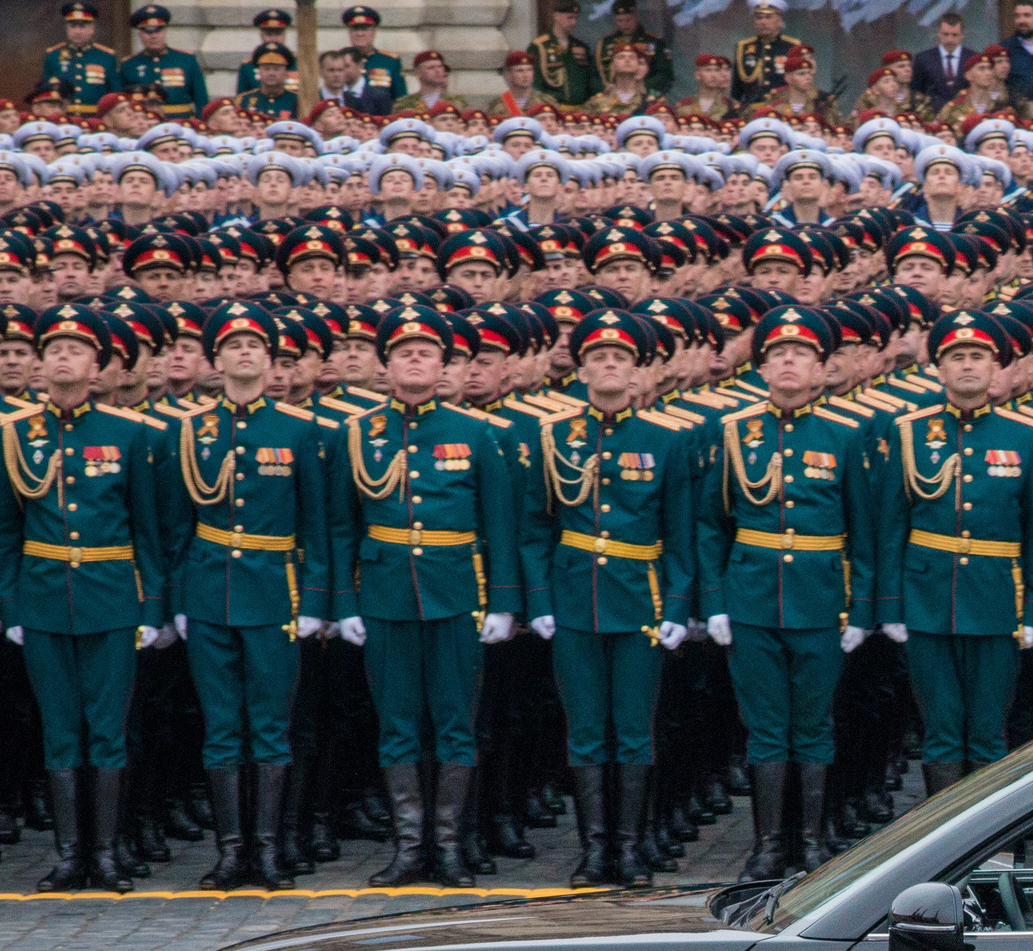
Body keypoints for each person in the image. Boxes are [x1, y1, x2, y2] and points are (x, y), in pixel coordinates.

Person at [0, 306, 168, 893]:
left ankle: (106, 852)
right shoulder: (12, 436)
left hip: (111, 596)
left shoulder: (127, 433)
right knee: (60, 729)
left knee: (107, 728)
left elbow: (148, 530)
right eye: (55, 349)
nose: (64, 357)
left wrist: (151, 607)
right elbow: (2, 531)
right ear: (40, 363)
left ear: (97, 365)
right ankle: (70, 855)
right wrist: (11, 607)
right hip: (43, 600)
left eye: (77, 349)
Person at [345, 305, 521, 889]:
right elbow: (342, 527)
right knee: (396, 723)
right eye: (403, 352)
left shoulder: (473, 433)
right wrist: (344, 602)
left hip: (454, 592)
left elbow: (500, 522)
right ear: (386, 365)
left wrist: (502, 601)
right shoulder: (359, 433)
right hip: (386, 593)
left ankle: (448, 847)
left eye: (425, 352)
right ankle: (408, 848)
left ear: (444, 365)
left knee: (455, 723)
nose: (414, 359)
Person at [160, 302, 331, 892]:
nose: (244, 354)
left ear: (269, 358)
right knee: (221, 725)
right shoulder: (190, 430)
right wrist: (176, 598)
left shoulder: (298, 429)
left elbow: (317, 524)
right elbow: (176, 526)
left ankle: (269, 849)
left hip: (273, 591)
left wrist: (314, 600)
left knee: (272, 723)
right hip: (209, 591)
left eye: (255, 345)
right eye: (233, 345)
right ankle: (231, 852)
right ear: (217, 358)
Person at [706, 303, 878, 881]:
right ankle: (767, 844)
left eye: (800, 354)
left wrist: (862, 607)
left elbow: (865, 529)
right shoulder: (733, 433)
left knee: (814, 723)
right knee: (764, 725)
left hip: (821, 598)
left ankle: (810, 840)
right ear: (760, 368)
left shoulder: (845, 433)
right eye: (777, 354)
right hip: (752, 597)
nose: (788, 363)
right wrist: (716, 600)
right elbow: (710, 523)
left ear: (822, 368)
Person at [531, 308, 695, 887]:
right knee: (584, 729)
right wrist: (539, 598)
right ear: (580, 372)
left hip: (638, 602)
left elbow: (681, 533)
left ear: (637, 374)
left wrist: (677, 607)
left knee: (632, 728)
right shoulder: (553, 438)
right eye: (597, 357)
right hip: (574, 600)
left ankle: (629, 849)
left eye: (619, 358)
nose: (608, 366)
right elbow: (536, 526)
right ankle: (593, 849)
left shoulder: (664, 442)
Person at [886, 309, 1033, 793]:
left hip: (998, 599)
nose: (967, 366)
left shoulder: (1025, 436)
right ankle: (944, 850)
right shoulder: (908, 433)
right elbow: (891, 526)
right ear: (938, 368)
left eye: (978, 356)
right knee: (939, 733)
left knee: (987, 733)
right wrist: (891, 605)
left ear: (997, 368)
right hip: (927, 597)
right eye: (956, 356)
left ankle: (993, 852)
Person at [119, 6, 208, 122]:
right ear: (140, 34)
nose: (153, 36)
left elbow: (201, 99)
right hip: (144, 123)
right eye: (147, 32)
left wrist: (200, 125)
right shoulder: (129, 64)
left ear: (165, 32)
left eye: (158, 30)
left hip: (181, 121)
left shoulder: (186, 60)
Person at [40, 2, 120, 112]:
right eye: (73, 26)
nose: (77, 31)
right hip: (64, 118)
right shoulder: (53, 56)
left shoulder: (106, 57)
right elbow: (45, 93)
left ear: (92, 29)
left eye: (83, 26)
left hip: (95, 120)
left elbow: (114, 94)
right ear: (67, 29)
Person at [598, 0, 674, 99]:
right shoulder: (605, 42)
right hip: (612, 97)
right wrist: (607, 90)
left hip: (646, 96)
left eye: (628, 20)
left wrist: (641, 88)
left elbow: (665, 74)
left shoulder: (654, 41)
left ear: (637, 16)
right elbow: (595, 75)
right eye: (620, 21)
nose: (624, 25)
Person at [531, 0, 601, 109]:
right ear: (556, 16)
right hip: (551, 109)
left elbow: (591, 79)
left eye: (575, 18)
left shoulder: (581, 46)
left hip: (581, 110)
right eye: (569, 17)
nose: (573, 22)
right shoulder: (540, 46)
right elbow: (535, 81)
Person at [732, 0, 799, 105]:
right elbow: (736, 89)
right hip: (751, 110)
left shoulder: (793, 47)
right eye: (759, 18)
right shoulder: (744, 47)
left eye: (768, 17)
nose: (763, 22)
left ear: (780, 20)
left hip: (783, 108)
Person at [343, 5, 406, 101]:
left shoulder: (390, 61)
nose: (360, 34)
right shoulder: (340, 60)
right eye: (355, 29)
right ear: (349, 33)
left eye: (365, 29)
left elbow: (401, 99)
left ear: (374, 32)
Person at [913, 12, 975, 109]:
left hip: (966, 116)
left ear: (962, 34)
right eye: (945, 34)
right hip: (932, 118)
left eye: (954, 35)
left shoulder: (973, 58)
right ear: (938, 33)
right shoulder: (923, 59)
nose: (949, 39)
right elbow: (916, 92)